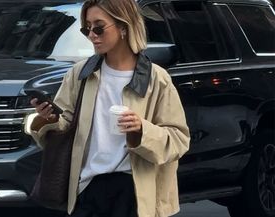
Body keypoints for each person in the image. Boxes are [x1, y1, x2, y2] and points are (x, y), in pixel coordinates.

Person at [26, 0, 190, 216]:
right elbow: (65, 124)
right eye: (87, 28)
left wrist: (142, 129)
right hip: (87, 188)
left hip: (135, 192)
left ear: (123, 26)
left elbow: (178, 140)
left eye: (99, 27)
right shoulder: (80, 73)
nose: (92, 35)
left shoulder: (156, 79)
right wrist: (48, 119)